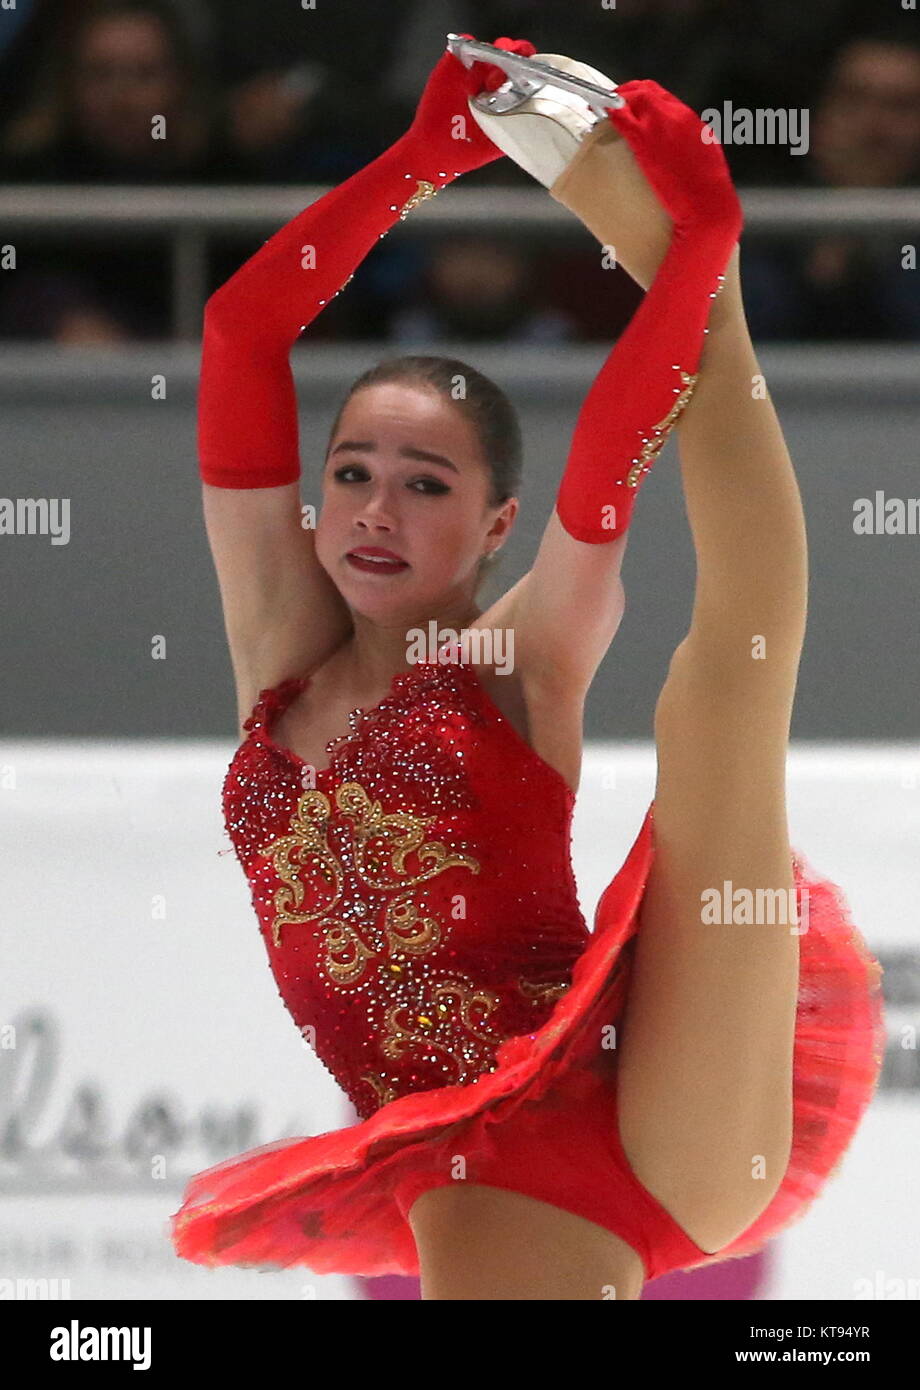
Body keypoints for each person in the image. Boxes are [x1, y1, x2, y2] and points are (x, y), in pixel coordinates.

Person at [167, 37, 885, 1299]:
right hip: (497, 1151)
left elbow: (622, 434)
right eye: (353, 476)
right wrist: (416, 161)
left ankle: (674, 235)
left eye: (424, 484)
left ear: (497, 526)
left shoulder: (515, 654)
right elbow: (239, 331)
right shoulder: (276, 648)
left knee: (724, 685)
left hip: (629, 1104)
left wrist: (699, 248)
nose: (376, 511)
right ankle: (666, 231)